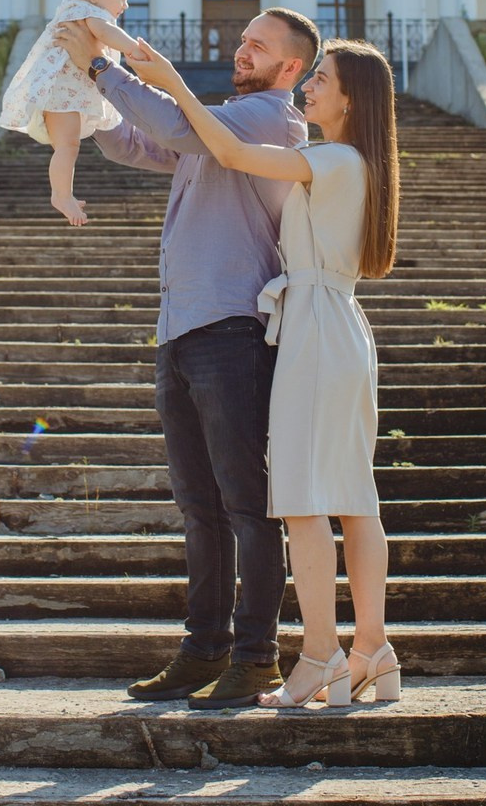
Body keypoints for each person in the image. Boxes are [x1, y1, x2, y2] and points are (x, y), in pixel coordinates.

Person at [54, 7, 321, 709]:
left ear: (290, 69)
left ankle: (256, 656)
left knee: (245, 507)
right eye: (241, 40)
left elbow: (172, 124)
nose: (241, 50)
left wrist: (101, 65)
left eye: (257, 45)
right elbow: (141, 146)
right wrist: (83, 104)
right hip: (180, 330)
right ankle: (203, 648)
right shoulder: (218, 124)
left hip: (231, 330)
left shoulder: (271, 121)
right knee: (198, 510)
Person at [127, 36, 401, 709]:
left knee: (305, 503)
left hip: (313, 322)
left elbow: (229, 152)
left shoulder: (330, 158)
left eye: (321, 79)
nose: (308, 87)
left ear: (350, 97)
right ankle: (372, 649)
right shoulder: (356, 163)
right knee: (354, 500)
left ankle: (317, 657)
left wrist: (171, 83)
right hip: (339, 323)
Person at [0, 0, 143, 225]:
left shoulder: (74, 10)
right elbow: (106, 34)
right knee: (67, 146)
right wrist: (133, 49)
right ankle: (61, 195)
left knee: (69, 146)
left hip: (63, 94)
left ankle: (63, 193)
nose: (125, 5)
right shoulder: (87, 12)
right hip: (61, 94)